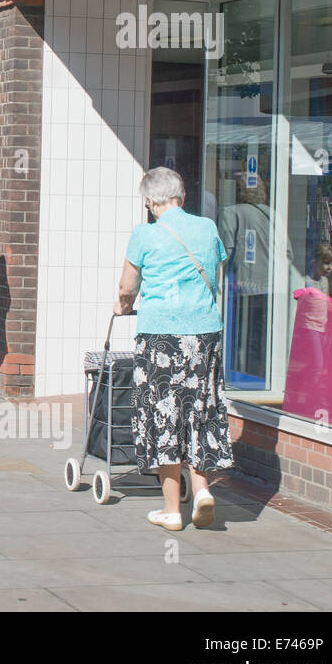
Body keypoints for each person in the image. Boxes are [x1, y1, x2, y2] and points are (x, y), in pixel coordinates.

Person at [114, 166, 233, 532]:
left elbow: (126, 287)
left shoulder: (144, 234)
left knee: (165, 413)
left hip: (161, 335)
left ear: (151, 202)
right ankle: (201, 491)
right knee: (199, 408)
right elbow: (216, 272)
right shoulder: (207, 228)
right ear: (181, 195)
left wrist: (123, 305)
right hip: (205, 332)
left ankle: (171, 510)